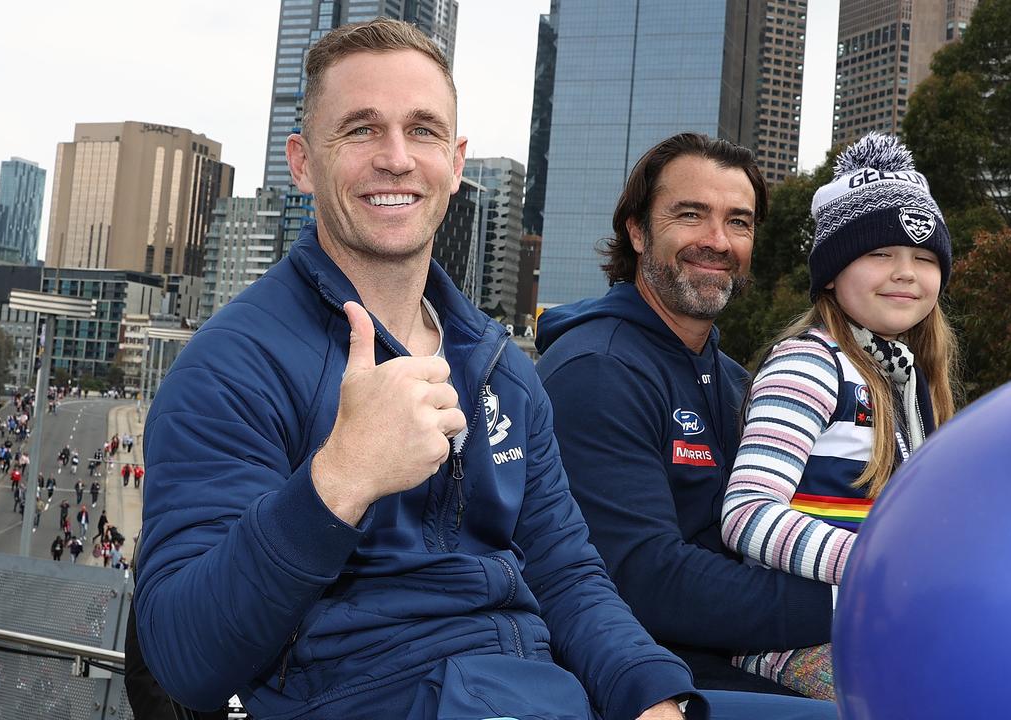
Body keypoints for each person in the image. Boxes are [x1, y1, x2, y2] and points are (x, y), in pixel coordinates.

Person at [135, 19, 832, 720]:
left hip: (537, 692)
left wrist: (652, 693)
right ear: (302, 161)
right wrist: (337, 480)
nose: (398, 159)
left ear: (456, 159)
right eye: (361, 130)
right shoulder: (231, 367)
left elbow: (569, 577)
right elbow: (185, 660)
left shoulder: (500, 367)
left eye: (424, 131)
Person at [535, 133, 834, 696]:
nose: (717, 241)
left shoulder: (734, 380)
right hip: (651, 682)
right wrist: (856, 602)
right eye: (691, 215)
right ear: (639, 230)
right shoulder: (597, 371)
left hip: (743, 656)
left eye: (739, 222)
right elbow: (648, 579)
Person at [719, 134, 958, 699]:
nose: (905, 272)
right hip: (797, 637)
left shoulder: (913, 376)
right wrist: (879, 564)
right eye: (879, 253)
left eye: (924, 258)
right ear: (830, 271)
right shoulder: (809, 362)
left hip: (884, 618)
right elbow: (747, 515)